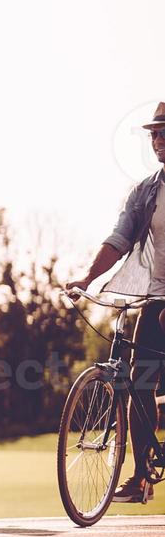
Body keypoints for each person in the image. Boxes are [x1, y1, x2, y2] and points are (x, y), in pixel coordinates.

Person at [66, 101, 165, 504]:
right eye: (155, 134)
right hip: (157, 298)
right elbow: (119, 239)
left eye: (164, 132)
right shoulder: (147, 191)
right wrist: (88, 278)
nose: (158, 140)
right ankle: (142, 475)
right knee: (138, 383)